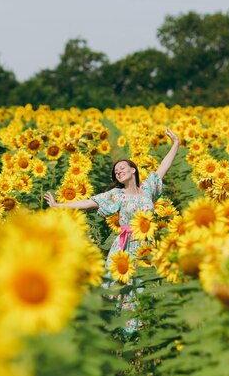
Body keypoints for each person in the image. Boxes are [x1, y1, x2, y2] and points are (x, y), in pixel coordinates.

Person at [44, 128, 180, 334]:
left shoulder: (148, 189)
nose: (118, 171)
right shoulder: (117, 194)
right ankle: (125, 334)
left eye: (122, 167)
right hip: (125, 247)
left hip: (146, 247)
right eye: (116, 171)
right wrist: (58, 205)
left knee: (145, 286)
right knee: (122, 290)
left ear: (133, 170)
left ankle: (144, 333)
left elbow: (163, 167)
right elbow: (89, 202)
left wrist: (176, 143)